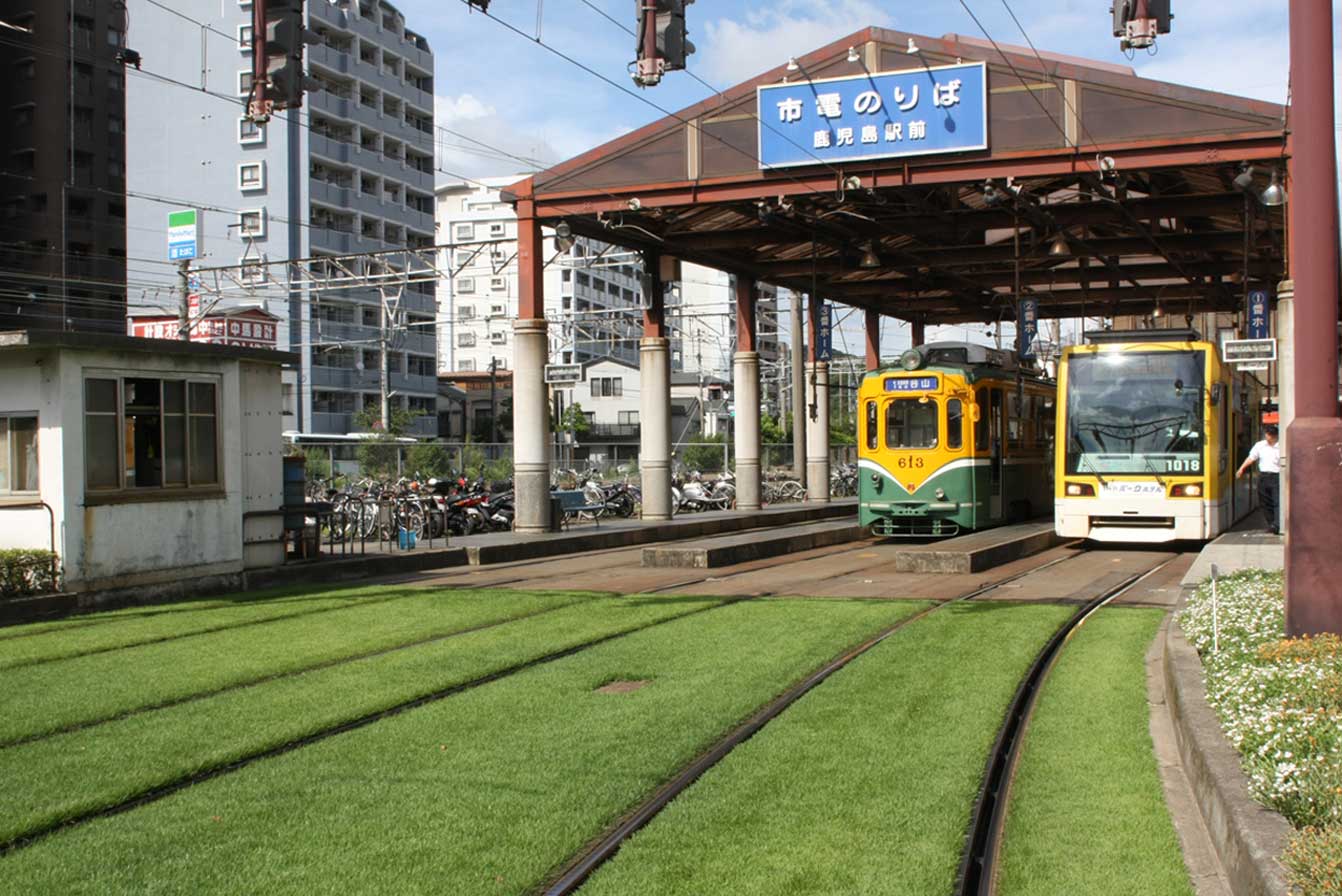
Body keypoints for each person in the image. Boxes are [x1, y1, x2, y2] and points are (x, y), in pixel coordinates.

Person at [1236, 424, 1281, 534]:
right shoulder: (1260, 445)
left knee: (1277, 501)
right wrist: (1241, 468)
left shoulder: (1281, 446)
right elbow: (1252, 457)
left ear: (1275, 436)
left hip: (1276, 476)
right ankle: (1271, 523)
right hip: (1263, 476)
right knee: (1264, 502)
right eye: (1266, 435)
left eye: (1269, 436)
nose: (1267, 438)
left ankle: (1277, 524)